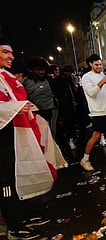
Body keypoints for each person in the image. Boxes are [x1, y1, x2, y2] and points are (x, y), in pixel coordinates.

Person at [0, 36, 57, 240]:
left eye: (11, 52)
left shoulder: (5, 76)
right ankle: (14, 227)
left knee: (17, 177)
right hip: (3, 140)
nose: (11, 56)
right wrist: (15, 108)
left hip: (15, 137)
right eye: (6, 52)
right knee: (5, 183)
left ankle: (22, 216)